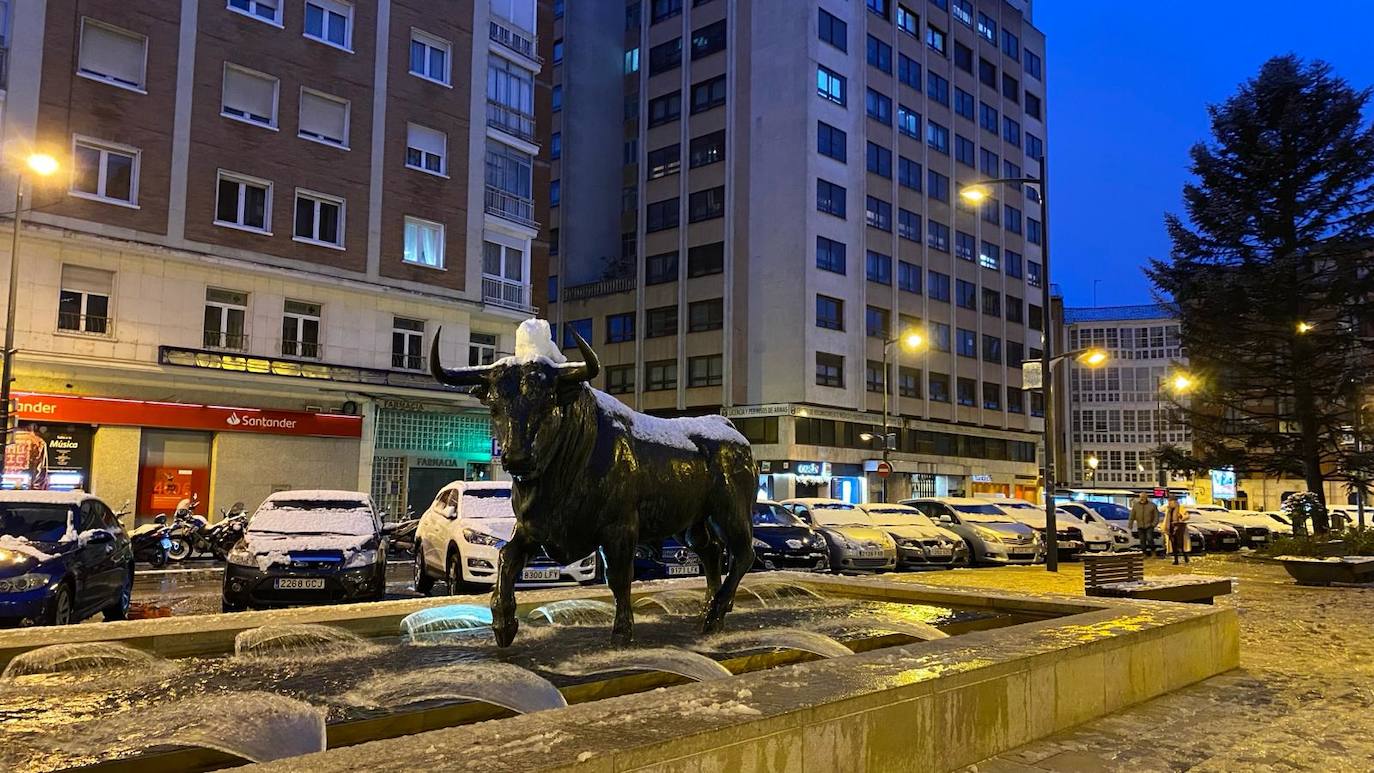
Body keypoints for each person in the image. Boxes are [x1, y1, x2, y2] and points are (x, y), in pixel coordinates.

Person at [1128, 492, 1161, 556]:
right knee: (1142, 540)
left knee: (1149, 538)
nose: (1142, 498)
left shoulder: (1152, 505)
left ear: (1146, 497)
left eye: (1143, 497)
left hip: (1149, 525)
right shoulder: (1136, 506)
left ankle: (1153, 551)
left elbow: (1156, 516)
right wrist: (1130, 524)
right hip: (1140, 526)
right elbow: (1132, 516)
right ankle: (1144, 553)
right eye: (1141, 497)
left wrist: (1153, 524)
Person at [1163, 495, 1190, 565]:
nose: (1169, 503)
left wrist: (1181, 516)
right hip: (1171, 527)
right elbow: (1166, 519)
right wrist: (1165, 527)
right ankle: (1176, 560)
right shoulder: (1168, 509)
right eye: (1169, 501)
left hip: (1180, 528)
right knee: (1173, 544)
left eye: (1171, 501)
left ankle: (1186, 558)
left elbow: (1187, 516)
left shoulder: (1180, 508)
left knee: (1181, 544)